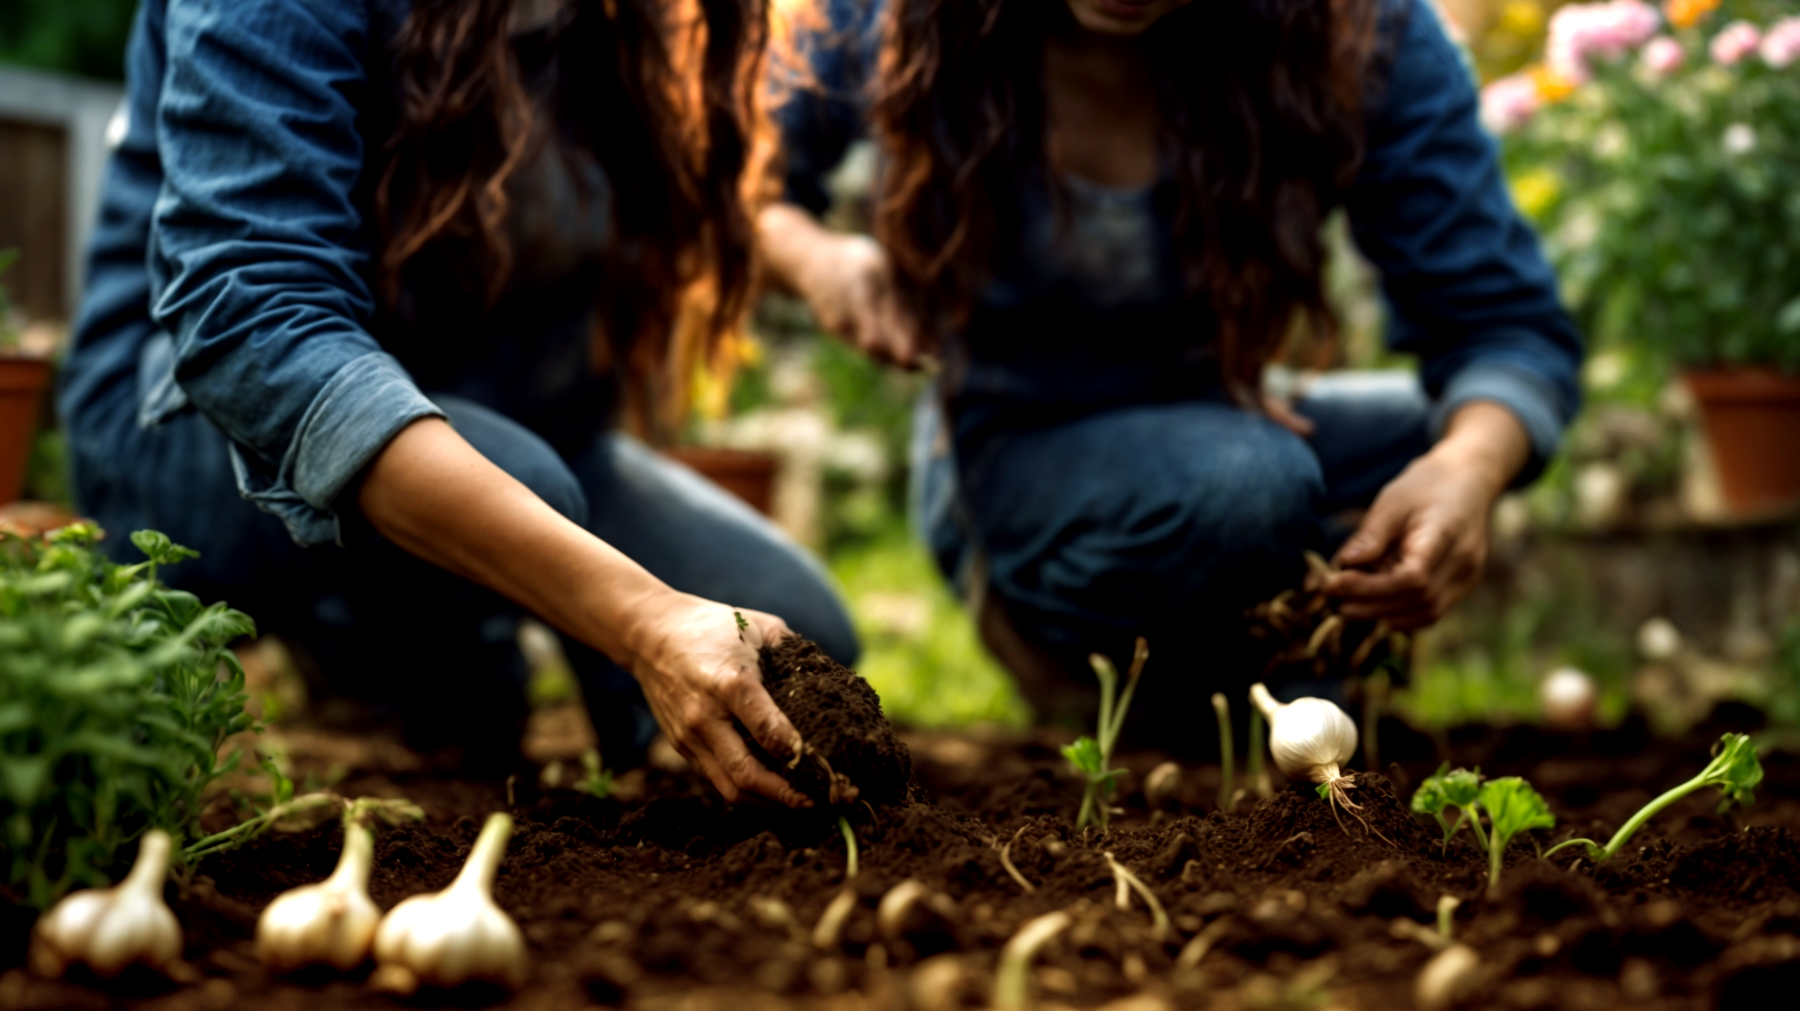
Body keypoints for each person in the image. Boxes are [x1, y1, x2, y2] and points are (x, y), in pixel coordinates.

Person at [60, 0, 856, 804]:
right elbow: (255, 325)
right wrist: (645, 620)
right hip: (201, 426)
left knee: (787, 644)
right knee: (527, 482)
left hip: (510, 413)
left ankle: (456, 628)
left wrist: (824, 262)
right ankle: (369, 636)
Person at [760, 0, 1581, 731]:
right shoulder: (886, 17)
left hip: (1227, 419)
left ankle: (1263, 670)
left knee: (1432, 439)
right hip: (1017, 453)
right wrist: (816, 258)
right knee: (1248, 486)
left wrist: (1467, 471)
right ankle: (1108, 671)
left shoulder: (1366, 30)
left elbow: (1506, 329)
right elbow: (748, 189)